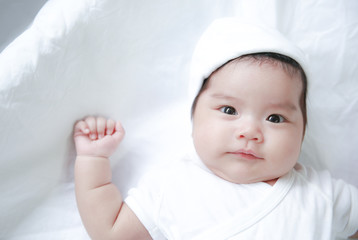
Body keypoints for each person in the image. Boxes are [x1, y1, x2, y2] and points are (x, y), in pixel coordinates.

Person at [74, 18, 358, 239]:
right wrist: (93, 160)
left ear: (303, 131)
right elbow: (110, 232)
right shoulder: (174, 188)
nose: (250, 131)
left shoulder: (322, 194)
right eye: (229, 110)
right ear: (194, 118)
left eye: (275, 118)